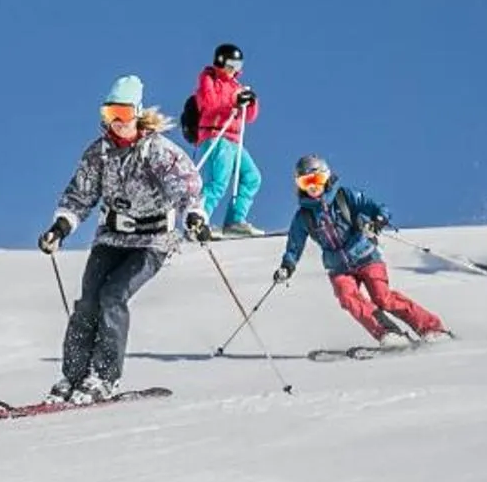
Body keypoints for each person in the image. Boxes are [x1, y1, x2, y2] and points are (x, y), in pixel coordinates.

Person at [38, 75, 208, 403]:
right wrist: (59, 228)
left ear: (138, 113)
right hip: (112, 237)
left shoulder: (157, 150)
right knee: (88, 302)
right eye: (110, 113)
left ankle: (104, 377)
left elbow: (186, 186)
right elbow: (79, 195)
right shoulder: (98, 153)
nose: (117, 122)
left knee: (113, 296)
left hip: (153, 240)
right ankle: (71, 377)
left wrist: (195, 217)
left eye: (124, 113)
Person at [275, 155, 447, 343]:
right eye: (306, 182)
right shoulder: (304, 216)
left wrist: (378, 221)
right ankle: (388, 333)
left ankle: (431, 328)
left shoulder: (344, 197)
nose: (313, 186)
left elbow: (376, 208)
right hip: (338, 268)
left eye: (317, 180)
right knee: (347, 297)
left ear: (326, 177)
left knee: (383, 298)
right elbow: (294, 245)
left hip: (366, 256)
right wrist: (287, 266)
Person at [189, 42, 264, 236]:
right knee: (217, 182)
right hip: (216, 136)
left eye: (238, 66)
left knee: (251, 177)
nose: (234, 70)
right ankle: (198, 220)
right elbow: (210, 104)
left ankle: (235, 221)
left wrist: (251, 102)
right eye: (231, 65)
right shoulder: (209, 80)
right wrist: (233, 101)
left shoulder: (236, 86)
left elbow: (249, 117)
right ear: (220, 62)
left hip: (233, 140)